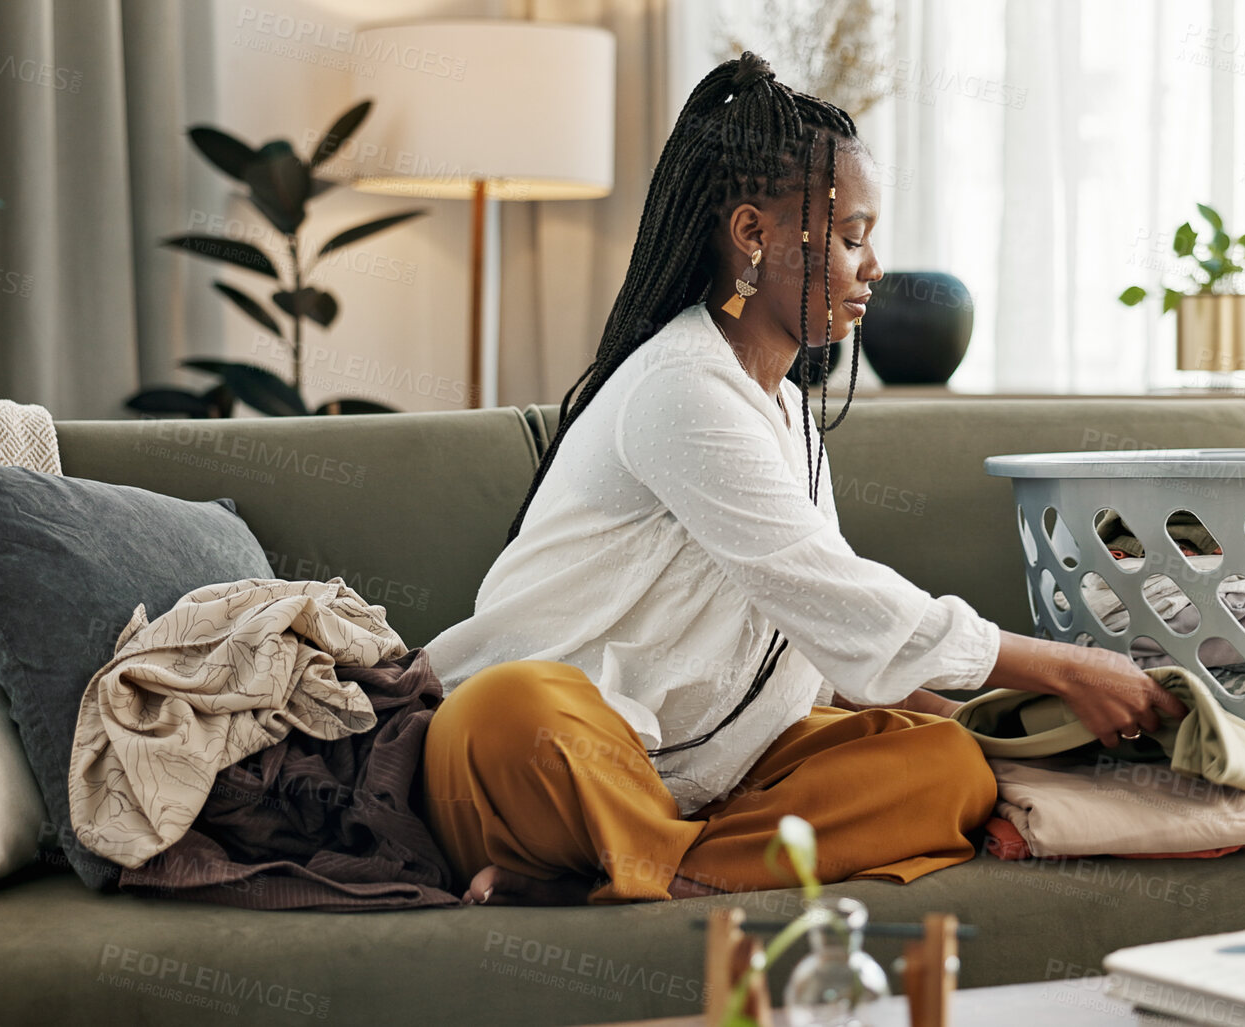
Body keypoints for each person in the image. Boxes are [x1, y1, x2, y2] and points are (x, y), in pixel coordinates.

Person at [420, 52, 1186, 906]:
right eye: (852, 236)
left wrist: (984, 728)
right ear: (754, 235)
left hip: (701, 775)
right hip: (530, 760)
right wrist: (1065, 668)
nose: (873, 267)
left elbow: (823, 638)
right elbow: (840, 594)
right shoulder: (679, 386)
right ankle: (637, 859)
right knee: (520, 706)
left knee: (945, 770)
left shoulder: (788, 412)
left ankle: (639, 869)